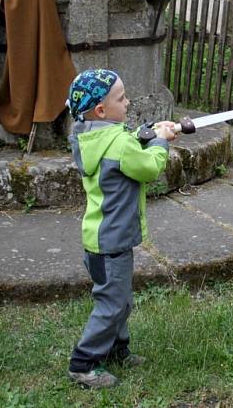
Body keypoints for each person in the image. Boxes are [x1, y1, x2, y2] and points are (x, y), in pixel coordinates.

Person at [65, 68, 177, 388]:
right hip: (112, 241)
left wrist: (147, 133)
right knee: (113, 304)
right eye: (121, 98)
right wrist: (160, 143)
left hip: (99, 238)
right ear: (101, 110)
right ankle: (83, 363)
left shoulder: (91, 136)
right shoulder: (119, 144)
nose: (128, 102)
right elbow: (149, 167)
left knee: (121, 300)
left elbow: (126, 141)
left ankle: (117, 350)